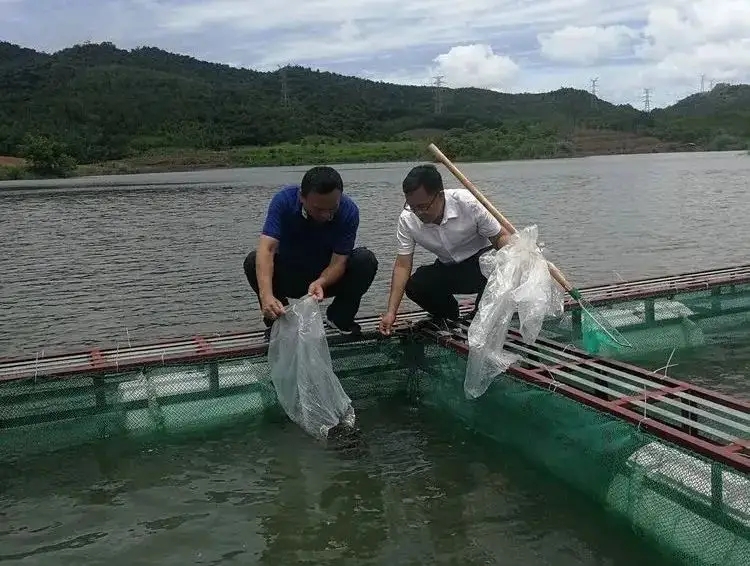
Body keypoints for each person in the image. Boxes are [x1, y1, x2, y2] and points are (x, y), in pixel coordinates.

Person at [244, 165, 378, 337]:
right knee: (253, 260)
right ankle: (278, 319)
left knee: (364, 260)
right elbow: (267, 248)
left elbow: (339, 262)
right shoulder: (284, 201)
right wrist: (266, 295)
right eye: (318, 209)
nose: (326, 215)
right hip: (291, 276)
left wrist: (321, 282)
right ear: (302, 197)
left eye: (332, 208)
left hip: (325, 279)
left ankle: (339, 318)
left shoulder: (349, 210)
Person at [378, 164, 511, 335]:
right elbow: (402, 265)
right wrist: (391, 312)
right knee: (415, 284)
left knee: (498, 265)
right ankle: (449, 317)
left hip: (481, 268)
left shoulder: (468, 203)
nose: (418, 212)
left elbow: (500, 237)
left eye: (423, 206)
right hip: (449, 268)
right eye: (412, 206)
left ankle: (481, 315)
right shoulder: (407, 219)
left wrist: (514, 258)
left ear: (440, 196)